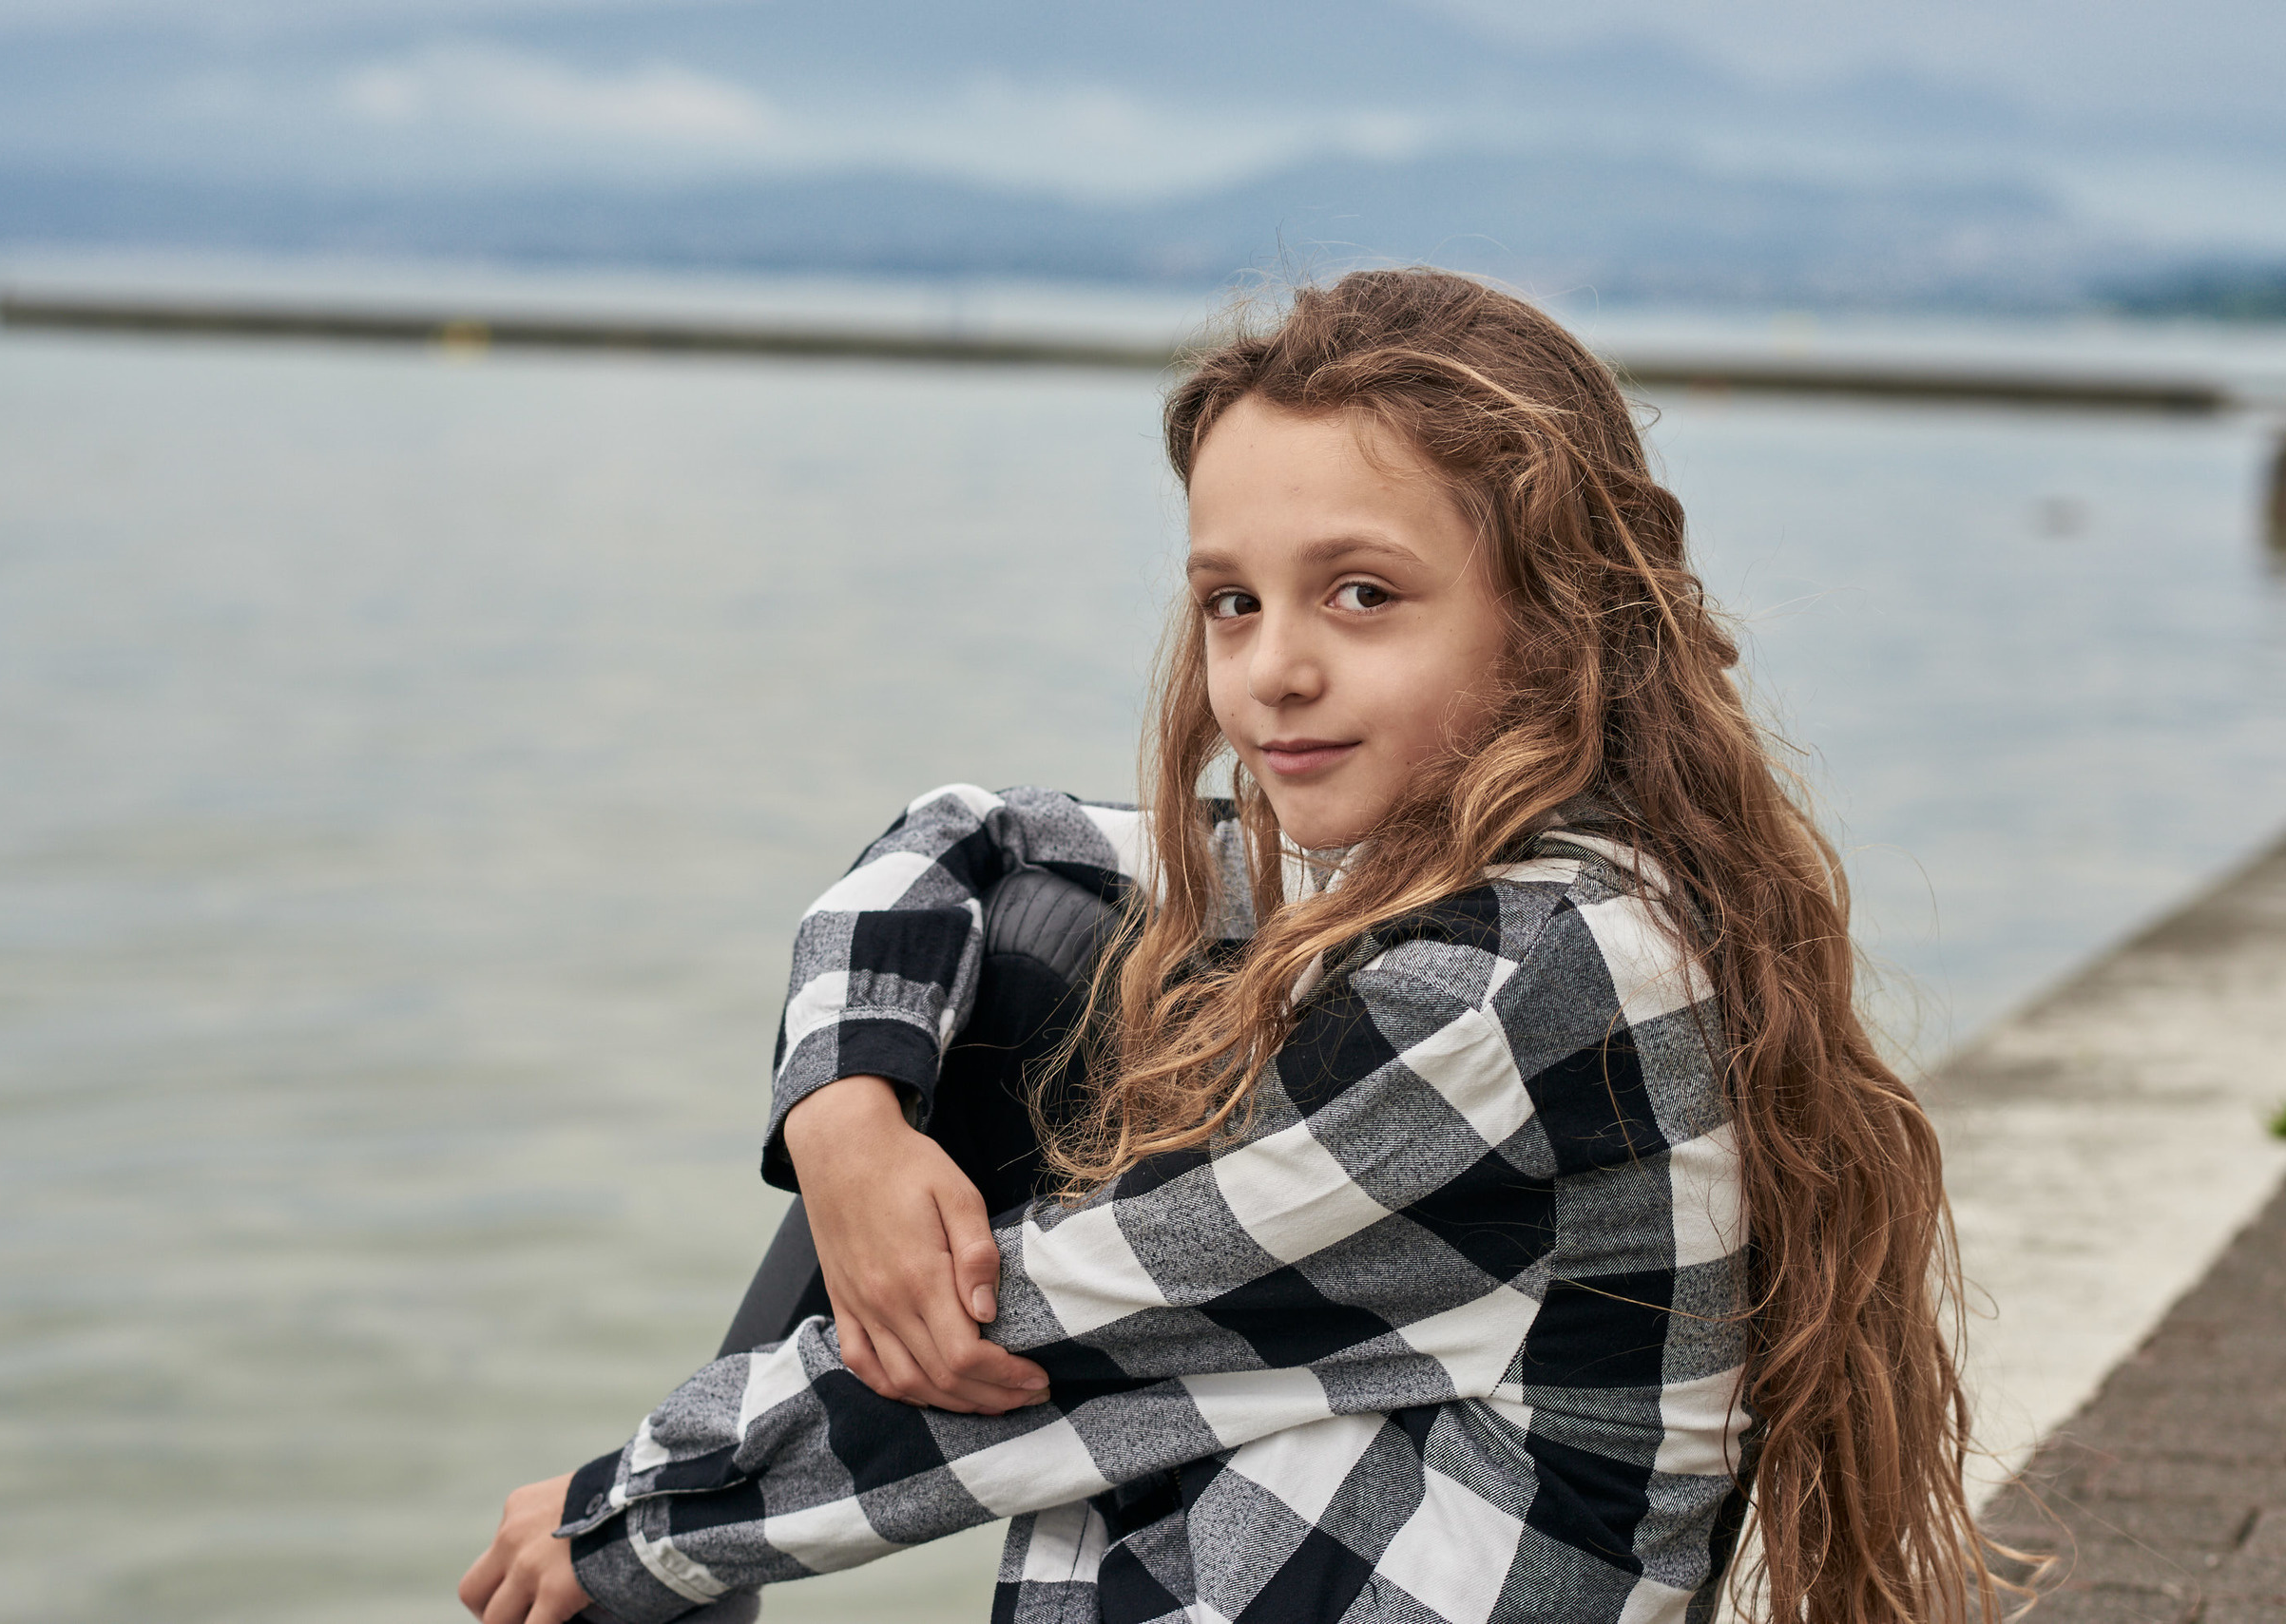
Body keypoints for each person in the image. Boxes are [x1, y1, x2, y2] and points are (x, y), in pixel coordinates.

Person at [460, 269, 2002, 1624]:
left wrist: (627, 1520)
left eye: (1363, 594)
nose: (1276, 671)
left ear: (1553, 615)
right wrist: (845, 1118)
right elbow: (975, 837)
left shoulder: (1512, 985)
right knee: (1039, 935)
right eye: (1231, 601)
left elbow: (1028, 1355)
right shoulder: (1464, 879)